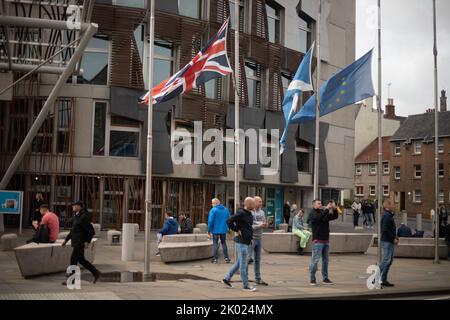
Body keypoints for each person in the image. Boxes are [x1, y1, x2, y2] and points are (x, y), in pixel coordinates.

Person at [222, 197, 256, 292]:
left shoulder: (249, 214)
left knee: (239, 263)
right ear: (248, 204)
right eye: (253, 203)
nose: (254, 205)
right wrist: (236, 230)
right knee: (243, 265)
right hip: (241, 242)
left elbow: (248, 228)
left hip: (246, 241)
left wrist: (250, 238)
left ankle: (226, 279)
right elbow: (228, 221)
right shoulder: (241, 213)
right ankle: (246, 286)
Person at [62, 200, 100, 284]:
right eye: (72, 205)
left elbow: (91, 231)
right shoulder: (76, 216)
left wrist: (87, 241)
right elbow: (73, 230)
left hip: (80, 242)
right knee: (81, 260)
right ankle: (96, 272)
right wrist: (66, 240)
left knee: (73, 260)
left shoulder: (84, 217)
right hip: (76, 241)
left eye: (74, 205)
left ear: (79, 206)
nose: (72, 206)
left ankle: (72, 280)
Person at [309, 199, 339, 286]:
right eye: (318, 203)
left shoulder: (323, 212)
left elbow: (334, 216)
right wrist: (326, 209)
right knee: (315, 260)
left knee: (325, 260)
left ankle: (325, 278)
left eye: (321, 203)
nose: (320, 204)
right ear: (314, 205)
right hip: (318, 241)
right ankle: (312, 278)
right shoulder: (313, 213)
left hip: (326, 240)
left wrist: (334, 208)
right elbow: (318, 218)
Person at [247, 196, 268, 286]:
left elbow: (264, 222)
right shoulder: (250, 213)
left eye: (261, 201)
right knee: (247, 259)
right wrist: (259, 226)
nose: (261, 203)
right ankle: (245, 278)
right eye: (259, 201)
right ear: (254, 202)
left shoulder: (262, 212)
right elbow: (249, 226)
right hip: (251, 239)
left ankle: (258, 278)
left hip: (259, 238)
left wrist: (265, 225)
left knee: (257, 260)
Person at [379, 199, 398, 287]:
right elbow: (385, 230)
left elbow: (390, 229)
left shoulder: (389, 215)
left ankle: (383, 279)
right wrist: (393, 238)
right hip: (387, 241)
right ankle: (375, 277)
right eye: (393, 205)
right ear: (387, 206)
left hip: (389, 240)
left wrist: (395, 237)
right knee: (386, 260)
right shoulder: (387, 216)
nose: (394, 206)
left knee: (389, 261)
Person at [208, 198, 231, 263]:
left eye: (212, 203)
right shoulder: (226, 210)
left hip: (215, 230)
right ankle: (226, 258)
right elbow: (229, 219)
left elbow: (210, 221)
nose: (212, 204)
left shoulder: (213, 210)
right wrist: (228, 228)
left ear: (215, 203)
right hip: (223, 230)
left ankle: (215, 259)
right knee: (224, 243)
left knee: (215, 243)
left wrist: (209, 230)